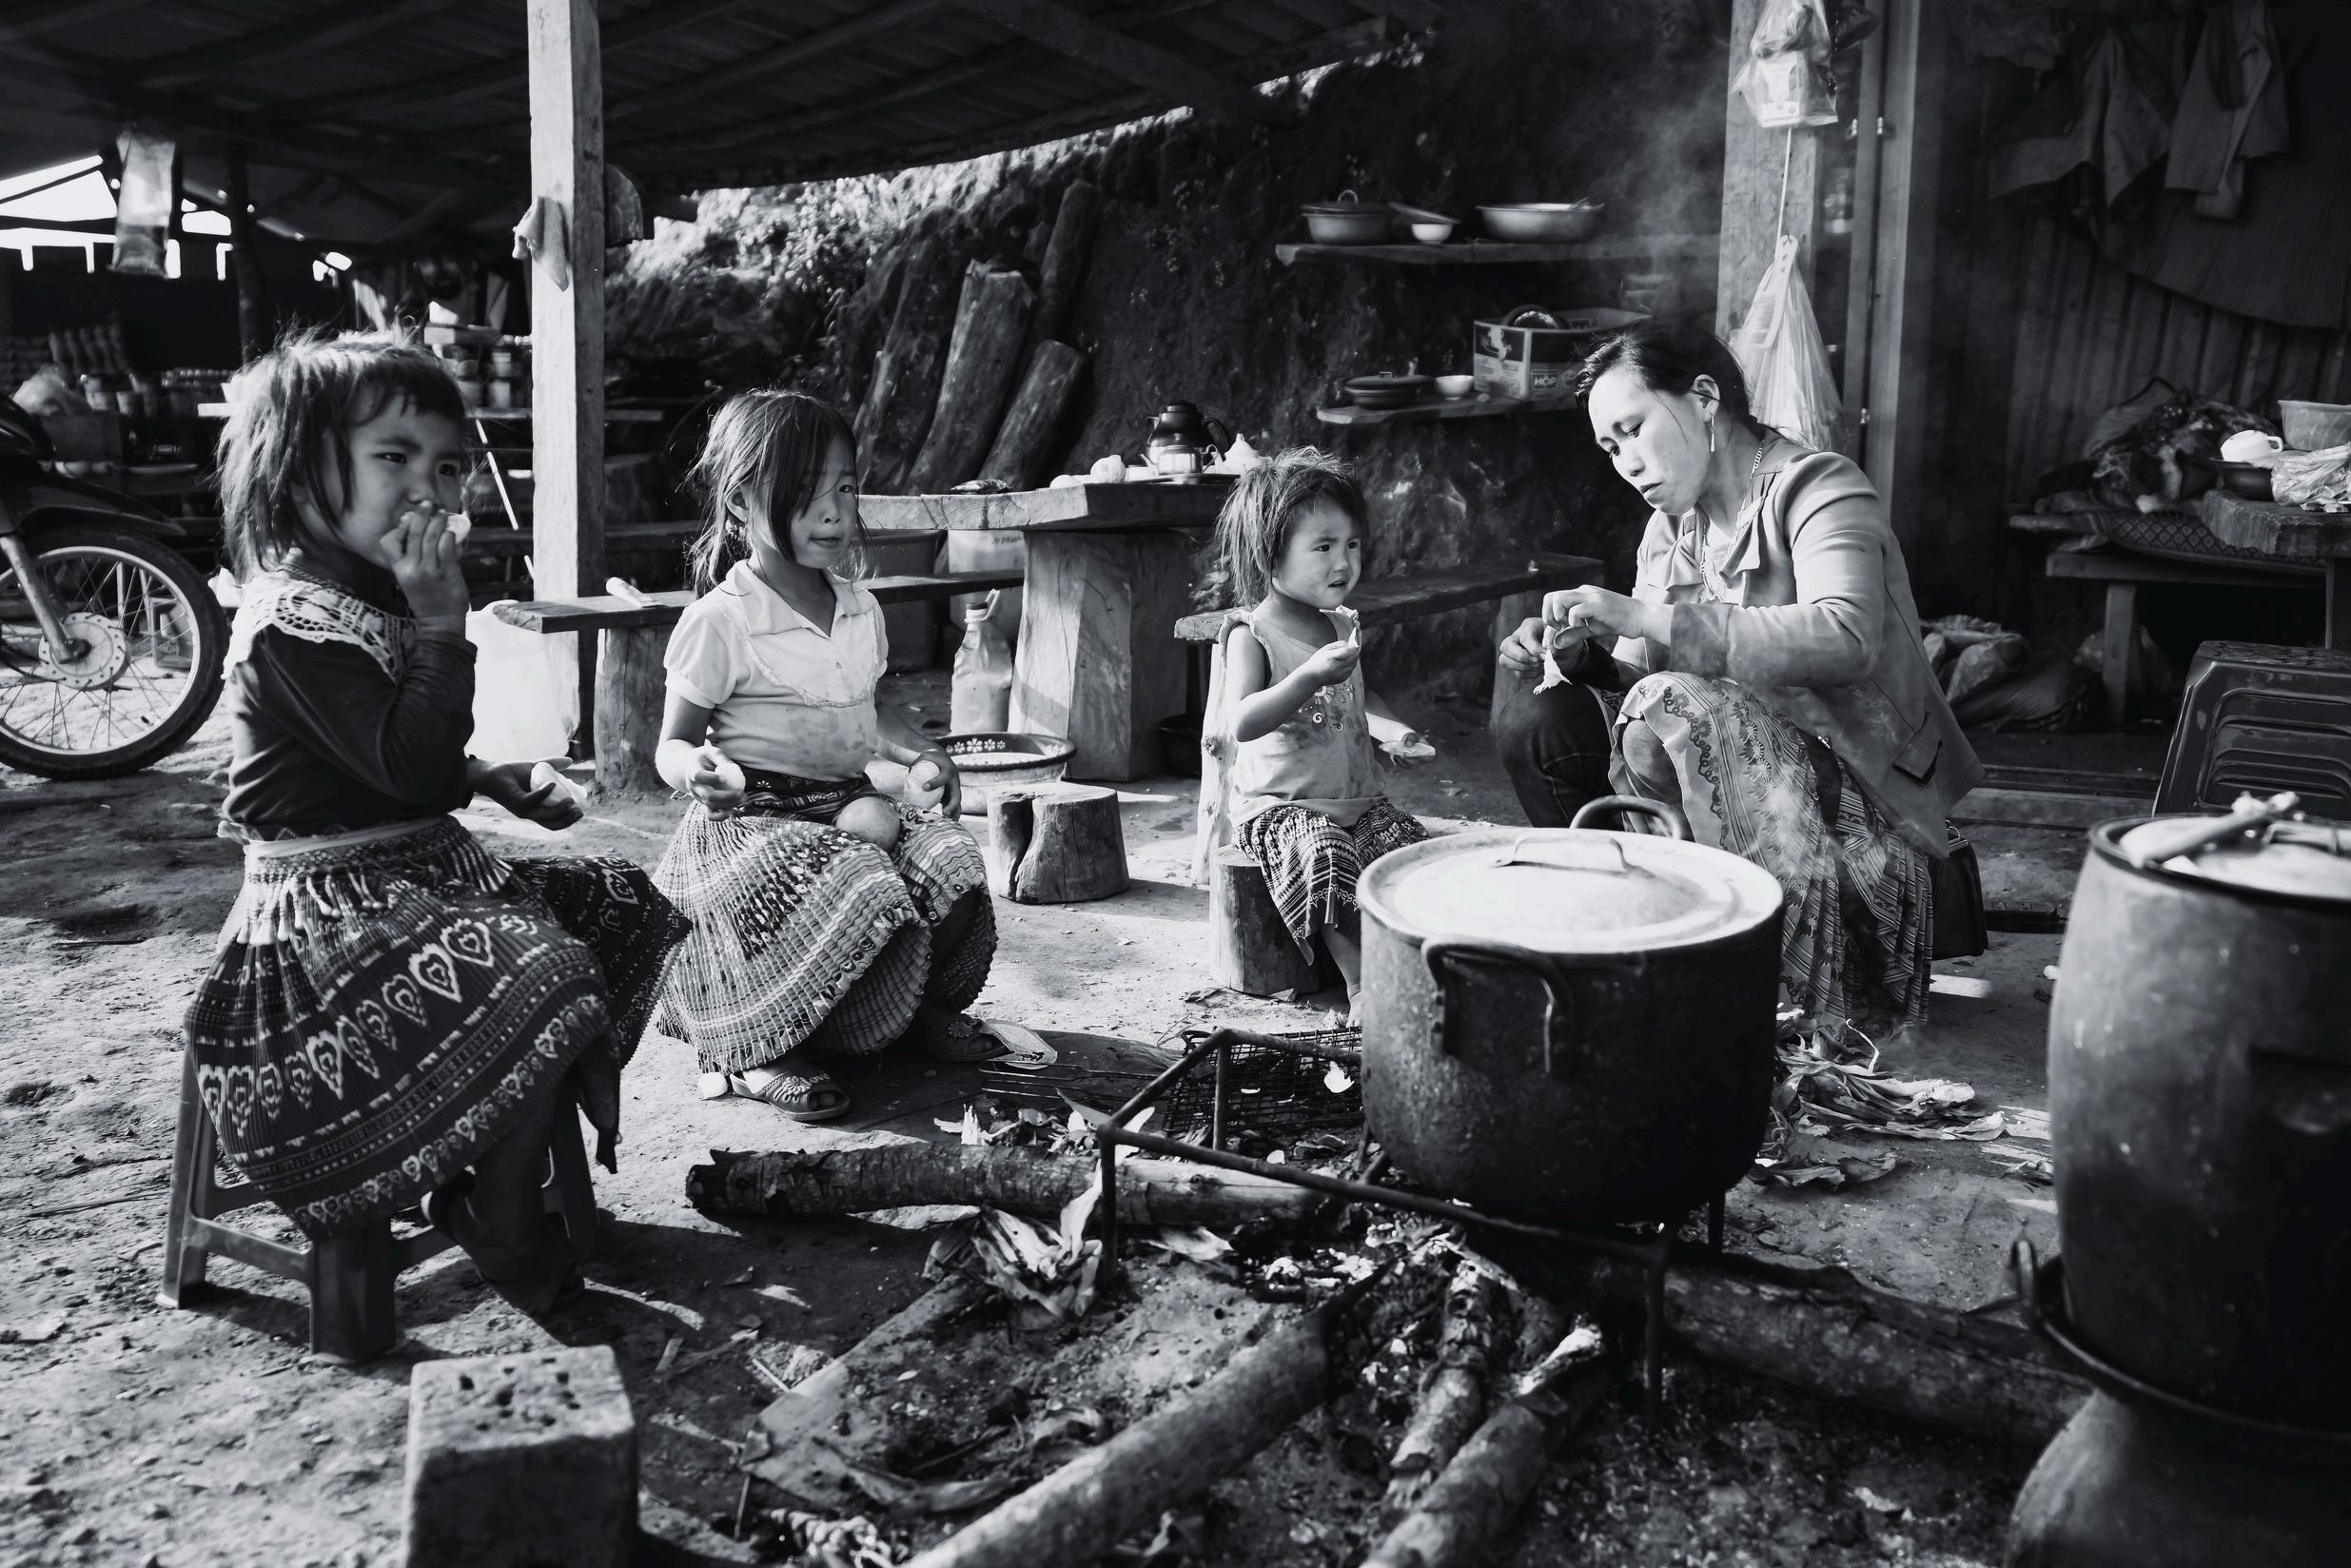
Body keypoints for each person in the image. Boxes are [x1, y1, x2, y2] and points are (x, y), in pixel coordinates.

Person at [186, 330, 688, 1315]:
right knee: (539, 971)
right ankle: (496, 1208)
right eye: (393, 455)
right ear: (297, 469)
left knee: (617, 903)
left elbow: (391, 759)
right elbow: (402, 763)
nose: (428, 487)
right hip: (319, 916)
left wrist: (489, 778)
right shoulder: (289, 619)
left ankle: (483, 1158)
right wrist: (441, 626)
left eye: (448, 465)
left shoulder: (368, 594)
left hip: (420, 874)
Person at [1493, 323, 1981, 1036]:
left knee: (1673, 701)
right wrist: (1578, 658)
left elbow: (1844, 638)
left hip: (1854, 795)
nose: (1626, 463)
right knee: (1541, 722)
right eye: (1610, 448)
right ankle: (1630, 946)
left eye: (1632, 429)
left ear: (1702, 398)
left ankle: (1780, 980)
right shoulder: (1669, 531)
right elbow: (1638, 687)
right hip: (1726, 778)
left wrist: (1644, 615)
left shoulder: (1819, 486)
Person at [653, 390, 995, 1123]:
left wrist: (924, 751)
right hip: (751, 825)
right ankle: (756, 1048)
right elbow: (673, 744)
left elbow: (868, 709)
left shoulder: (859, 607)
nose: (835, 514)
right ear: (740, 502)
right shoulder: (720, 621)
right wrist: (696, 773)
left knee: (952, 858)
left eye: (844, 488)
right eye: (807, 493)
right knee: (857, 872)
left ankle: (903, 1013)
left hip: (841, 804)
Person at [1194, 449, 1434, 1017]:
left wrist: (1395, 733)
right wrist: (1306, 676)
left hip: (1356, 798)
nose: (1343, 562)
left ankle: (1419, 962)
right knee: (1326, 858)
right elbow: (1243, 720)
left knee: (1410, 851)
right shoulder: (1252, 634)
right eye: (1323, 547)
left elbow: (1361, 695)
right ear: (1270, 554)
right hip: (1282, 809)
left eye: (1352, 544)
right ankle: (1362, 984)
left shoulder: (1343, 624)